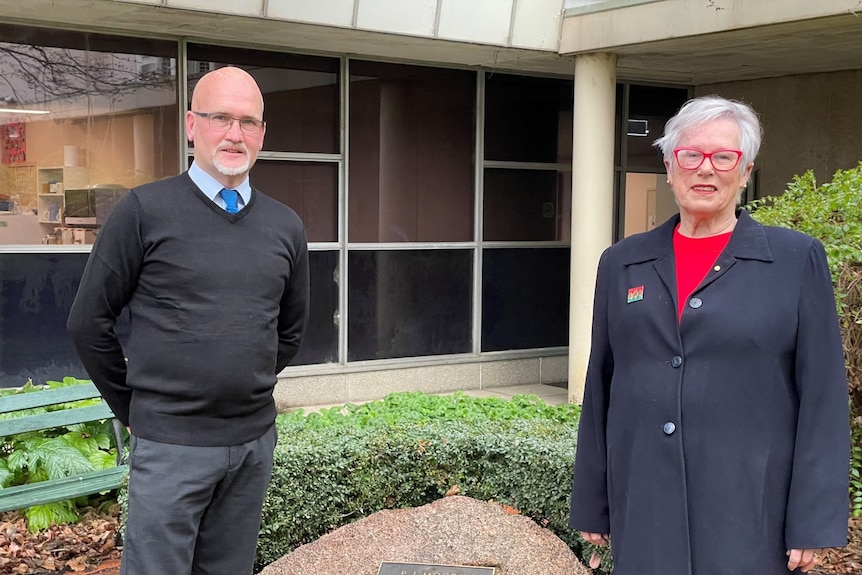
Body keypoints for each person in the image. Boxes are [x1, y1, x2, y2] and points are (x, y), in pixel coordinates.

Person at [568, 95, 849, 575]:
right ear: (669, 164)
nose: (706, 169)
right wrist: (592, 500)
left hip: (750, 508)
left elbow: (823, 395)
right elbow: (602, 386)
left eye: (724, 157)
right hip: (647, 504)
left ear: (745, 171)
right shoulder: (622, 263)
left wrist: (814, 520)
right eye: (690, 155)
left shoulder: (795, 260)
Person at [67, 66, 309, 575]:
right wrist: (137, 407)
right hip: (170, 446)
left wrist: (241, 384)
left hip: (250, 446)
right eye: (220, 117)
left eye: (248, 122)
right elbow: (89, 322)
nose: (234, 133)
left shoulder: (286, 227)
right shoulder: (143, 211)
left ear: (262, 134)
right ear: (192, 124)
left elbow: (288, 332)